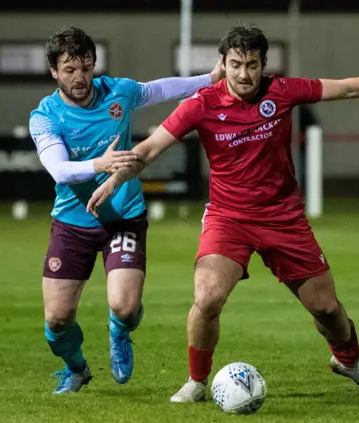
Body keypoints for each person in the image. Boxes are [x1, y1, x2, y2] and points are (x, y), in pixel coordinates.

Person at [87, 24, 359, 402]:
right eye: (236, 64)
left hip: (283, 218)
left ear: (264, 65)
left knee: (326, 309)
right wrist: (114, 181)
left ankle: (349, 362)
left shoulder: (282, 92)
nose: (244, 74)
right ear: (222, 63)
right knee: (207, 297)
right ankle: (196, 381)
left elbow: (350, 86)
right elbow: (149, 148)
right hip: (228, 219)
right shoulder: (201, 104)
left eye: (252, 64)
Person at [28, 26, 224, 394]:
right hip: (72, 223)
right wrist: (99, 164)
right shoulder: (45, 116)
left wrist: (209, 79)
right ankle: (76, 369)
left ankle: (119, 332)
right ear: (54, 72)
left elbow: (161, 89)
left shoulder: (118, 92)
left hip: (124, 219)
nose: (80, 77)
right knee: (56, 320)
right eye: (69, 70)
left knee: (124, 307)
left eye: (86, 67)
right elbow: (58, 169)